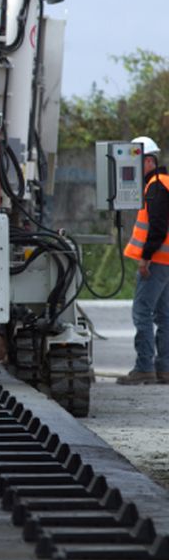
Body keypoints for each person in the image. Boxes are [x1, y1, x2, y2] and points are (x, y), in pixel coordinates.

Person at [117, 134, 169, 385]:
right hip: (166, 262)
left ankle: (144, 367)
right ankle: (165, 368)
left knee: (142, 312)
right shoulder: (166, 182)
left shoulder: (155, 186)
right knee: (164, 315)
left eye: (137, 162)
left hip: (157, 261)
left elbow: (158, 228)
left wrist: (145, 258)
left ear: (148, 161)